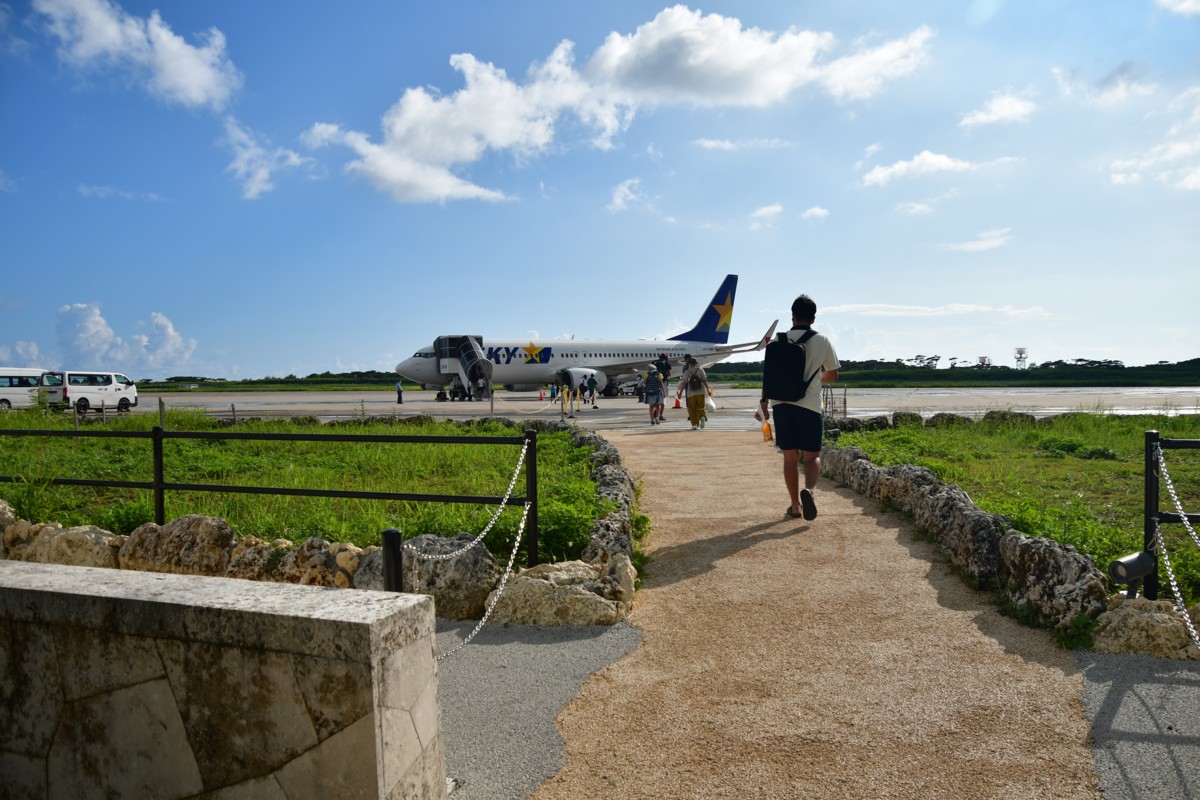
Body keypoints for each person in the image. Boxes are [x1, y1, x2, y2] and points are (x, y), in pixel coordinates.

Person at [759, 294, 840, 521]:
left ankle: (795, 506)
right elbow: (833, 375)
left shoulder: (778, 340)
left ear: (792, 316)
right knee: (812, 456)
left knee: (790, 457)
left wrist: (763, 402)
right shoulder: (822, 341)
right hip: (810, 405)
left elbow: (769, 375)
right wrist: (815, 377)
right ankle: (809, 491)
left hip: (782, 405)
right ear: (813, 318)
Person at [676, 356, 712, 429]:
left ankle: (695, 425)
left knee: (692, 409)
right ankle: (702, 416)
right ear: (695, 363)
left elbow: (684, 383)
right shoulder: (700, 370)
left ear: (689, 363)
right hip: (700, 392)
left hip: (691, 393)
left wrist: (680, 393)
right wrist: (708, 390)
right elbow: (704, 380)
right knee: (700, 407)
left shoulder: (687, 371)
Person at [653, 352, 673, 421]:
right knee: (664, 399)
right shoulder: (666, 363)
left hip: (655, 383)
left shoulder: (654, 363)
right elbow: (669, 374)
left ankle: (655, 413)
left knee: (656, 399)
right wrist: (664, 376)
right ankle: (660, 415)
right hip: (664, 382)